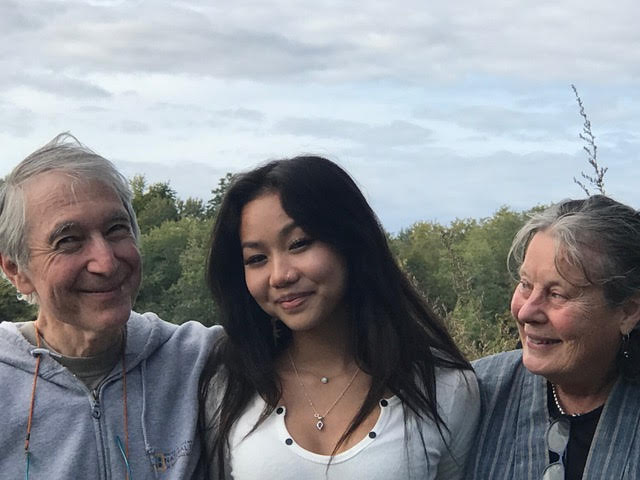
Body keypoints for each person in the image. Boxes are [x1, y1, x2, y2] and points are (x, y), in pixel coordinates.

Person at [199, 156, 480, 479]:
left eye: (299, 244)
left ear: (350, 241)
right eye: (257, 258)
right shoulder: (228, 386)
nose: (280, 275)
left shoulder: (444, 388)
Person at [0, 133, 221, 479]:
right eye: (68, 240)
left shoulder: (200, 360)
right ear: (16, 270)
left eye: (117, 229)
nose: (105, 262)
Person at [467, 195, 640, 479]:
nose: (526, 312)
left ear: (628, 311)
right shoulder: (475, 394)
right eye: (525, 284)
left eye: (557, 294)